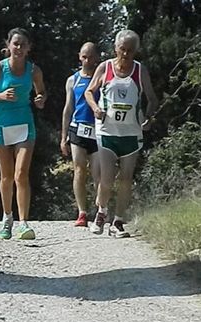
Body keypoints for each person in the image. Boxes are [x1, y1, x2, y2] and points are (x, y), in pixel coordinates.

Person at [0, 28, 46, 240]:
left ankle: (23, 223)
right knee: (6, 176)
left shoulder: (34, 71)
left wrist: (40, 98)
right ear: (9, 45)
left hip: (24, 125)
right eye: (16, 44)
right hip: (0, 125)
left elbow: (41, 91)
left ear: (29, 48)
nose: (19, 48)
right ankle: (7, 218)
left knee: (21, 174)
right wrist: (0, 95)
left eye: (23, 44)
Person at [84, 30, 158, 238]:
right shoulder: (105, 67)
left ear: (136, 51)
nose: (125, 55)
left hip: (131, 133)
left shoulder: (139, 70)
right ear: (115, 48)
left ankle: (118, 221)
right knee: (107, 178)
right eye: (122, 50)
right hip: (107, 131)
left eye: (130, 51)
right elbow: (89, 92)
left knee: (126, 178)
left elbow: (152, 99)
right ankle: (101, 213)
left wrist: (149, 118)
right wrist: (95, 109)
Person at [60, 42, 101, 227]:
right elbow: (68, 108)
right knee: (79, 169)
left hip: (99, 129)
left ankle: (101, 209)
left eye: (91, 57)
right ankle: (82, 212)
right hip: (78, 128)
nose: (87, 60)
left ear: (97, 58)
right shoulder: (73, 80)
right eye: (84, 57)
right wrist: (63, 137)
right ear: (79, 57)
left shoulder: (102, 78)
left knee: (98, 172)